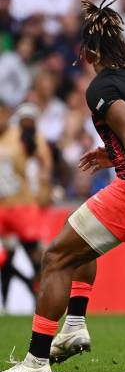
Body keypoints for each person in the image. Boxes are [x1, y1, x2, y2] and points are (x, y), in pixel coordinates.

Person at [1, 0, 125, 372]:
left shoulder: (103, 86)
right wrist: (118, 155)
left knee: (56, 257)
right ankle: (74, 326)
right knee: (76, 236)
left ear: (91, 53)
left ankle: (37, 362)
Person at [0, 102, 52, 310]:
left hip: (22, 206)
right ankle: (7, 302)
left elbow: (44, 158)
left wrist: (44, 184)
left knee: (35, 255)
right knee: (6, 258)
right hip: (2, 209)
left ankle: (43, 295)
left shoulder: (21, 134)